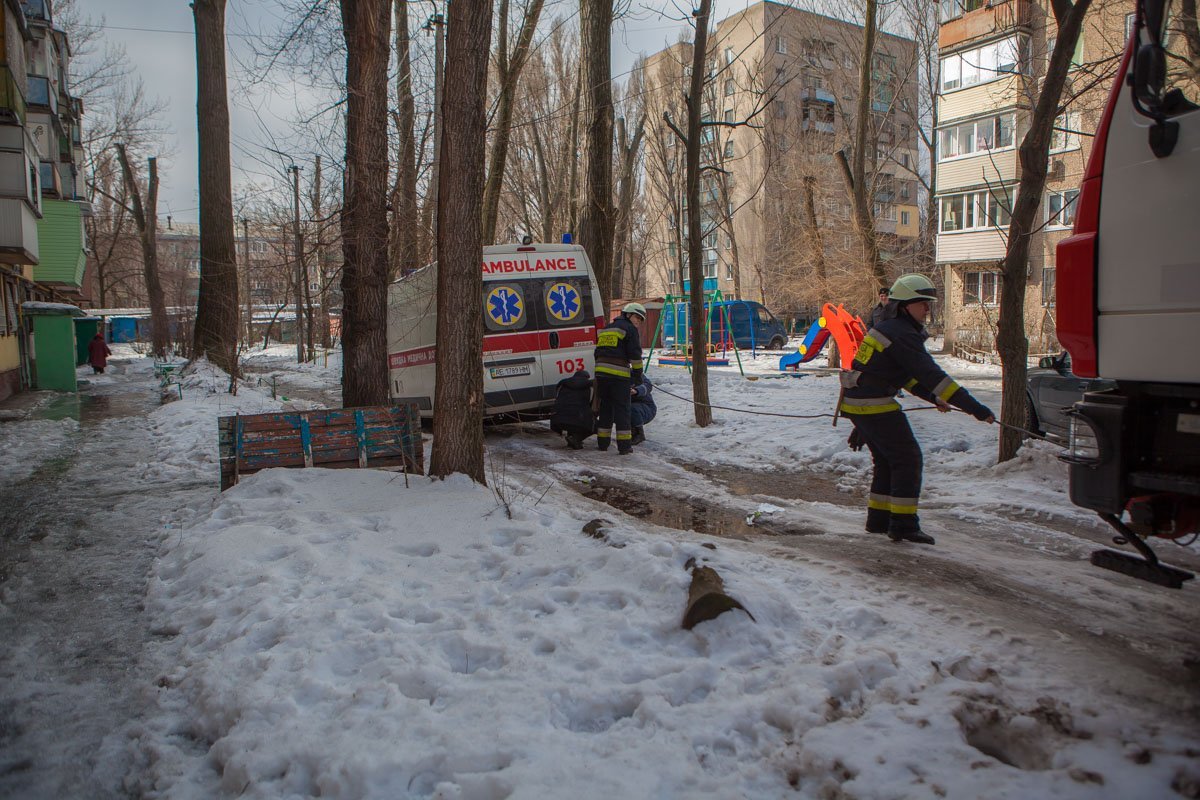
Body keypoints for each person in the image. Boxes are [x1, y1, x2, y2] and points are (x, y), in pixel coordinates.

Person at [841, 274, 994, 545]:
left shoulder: (891, 329)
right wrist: (976, 409)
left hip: (860, 403)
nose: (927, 309)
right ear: (904, 305)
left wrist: (932, 398)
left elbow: (904, 376)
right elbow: (933, 376)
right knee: (908, 460)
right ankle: (903, 524)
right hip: (873, 404)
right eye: (922, 303)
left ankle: (878, 520)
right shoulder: (901, 333)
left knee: (888, 462)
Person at [594, 302, 646, 455]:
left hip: (601, 375)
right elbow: (635, 355)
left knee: (605, 408)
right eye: (637, 317)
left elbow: (597, 352)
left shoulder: (607, 329)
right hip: (618, 376)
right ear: (628, 315)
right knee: (623, 410)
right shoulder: (630, 329)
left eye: (641, 319)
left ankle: (603, 443)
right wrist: (638, 376)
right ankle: (624, 446)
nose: (638, 322)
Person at [550, 370, 595, 450]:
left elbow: (557, 400)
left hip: (557, 420)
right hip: (577, 418)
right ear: (586, 378)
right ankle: (576, 438)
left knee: (571, 414)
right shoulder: (590, 386)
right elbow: (591, 406)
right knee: (597, 426)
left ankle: (572, 438)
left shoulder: (562, 384)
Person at [628, 374, 657, 446]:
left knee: (632, 408)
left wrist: (636, 390)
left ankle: (639, 434)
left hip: (646, 408)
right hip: (627, 407)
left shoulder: (635, 374)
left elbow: (648, 385)